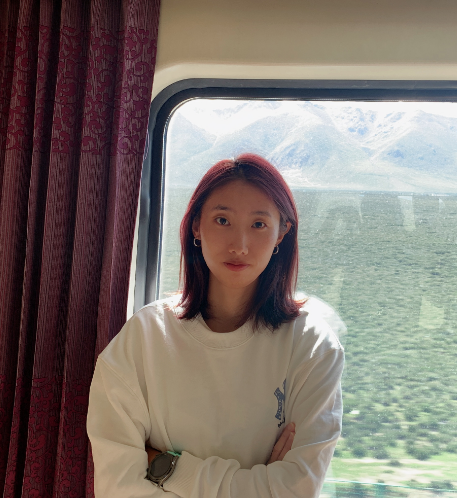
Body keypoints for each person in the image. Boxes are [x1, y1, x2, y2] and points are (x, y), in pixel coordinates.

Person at [87, 153, 345, 497]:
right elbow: (117, 489)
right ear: (196, 225)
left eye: (258, 224)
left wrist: (167, 468)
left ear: (282, 233)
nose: (239, 245)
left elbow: (296, 491)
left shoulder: (312, 346)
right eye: (222, 220)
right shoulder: (143, 337)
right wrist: (260, 484)